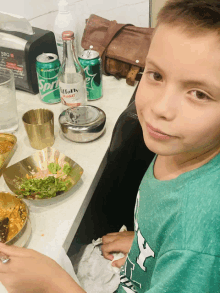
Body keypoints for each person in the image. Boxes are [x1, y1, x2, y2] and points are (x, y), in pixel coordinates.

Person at [0, 0, 220, 292]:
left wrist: (53, 283)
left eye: (199, 94)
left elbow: (190, 246)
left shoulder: (196, 240)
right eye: (156, 75)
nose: (161, 108)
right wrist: (150, 246)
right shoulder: (182, 148)